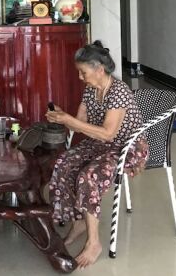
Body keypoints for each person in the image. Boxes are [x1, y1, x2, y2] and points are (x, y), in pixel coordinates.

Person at [45, 40, 149, 268]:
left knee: (88, 175)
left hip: (126, 148)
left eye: (83, 72)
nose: (80, 77)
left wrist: (70, 121)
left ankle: (94, 242)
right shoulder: (91, 90)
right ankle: (80, 221)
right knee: (63, 162)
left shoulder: (118, 91)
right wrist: (62, 117)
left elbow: (109, 133)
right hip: (100, 144)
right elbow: (79, 124)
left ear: (99, 70)